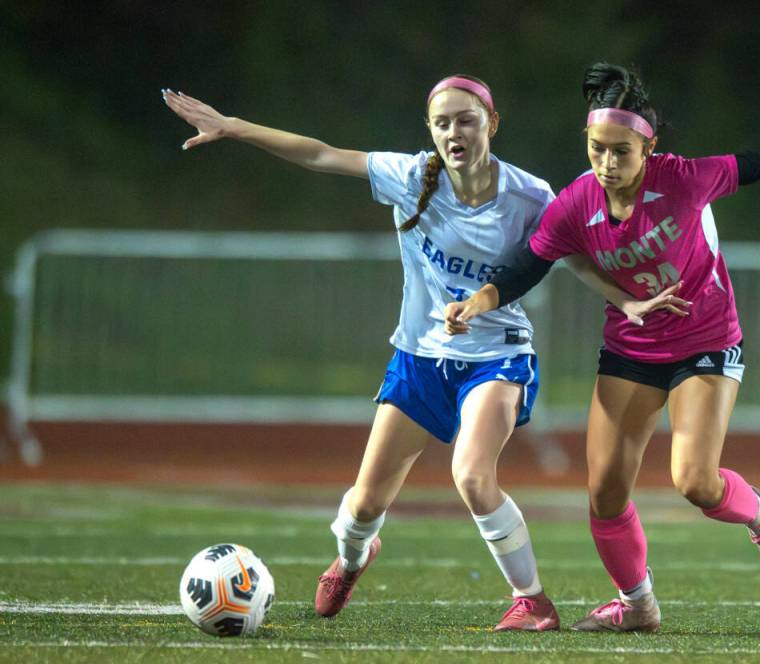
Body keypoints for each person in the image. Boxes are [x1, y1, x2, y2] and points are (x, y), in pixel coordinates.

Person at [445, 63, 760, 632]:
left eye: (621, 151)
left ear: (648, 147)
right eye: (597, 150)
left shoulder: (686, 179)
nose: (607, 163)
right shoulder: (577, 202)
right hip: (631, 346)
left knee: (696, 481)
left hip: (705, 339)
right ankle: (637, 606)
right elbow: (530, 262)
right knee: (603, 493)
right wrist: (480, 301)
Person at [161, 76, 620, 631]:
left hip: (497, 355)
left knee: (472, 474)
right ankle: (354, 558)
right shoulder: (410, 176)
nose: (455, 131)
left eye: (467, 120)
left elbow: (576, 256)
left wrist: (632, 300)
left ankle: (534, 601)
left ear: (492, 125)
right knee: (361, 509)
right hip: (419, 360)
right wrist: (233, 127)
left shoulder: (530, 196)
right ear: (430, 131)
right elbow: (321, 154)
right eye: (443, 122)